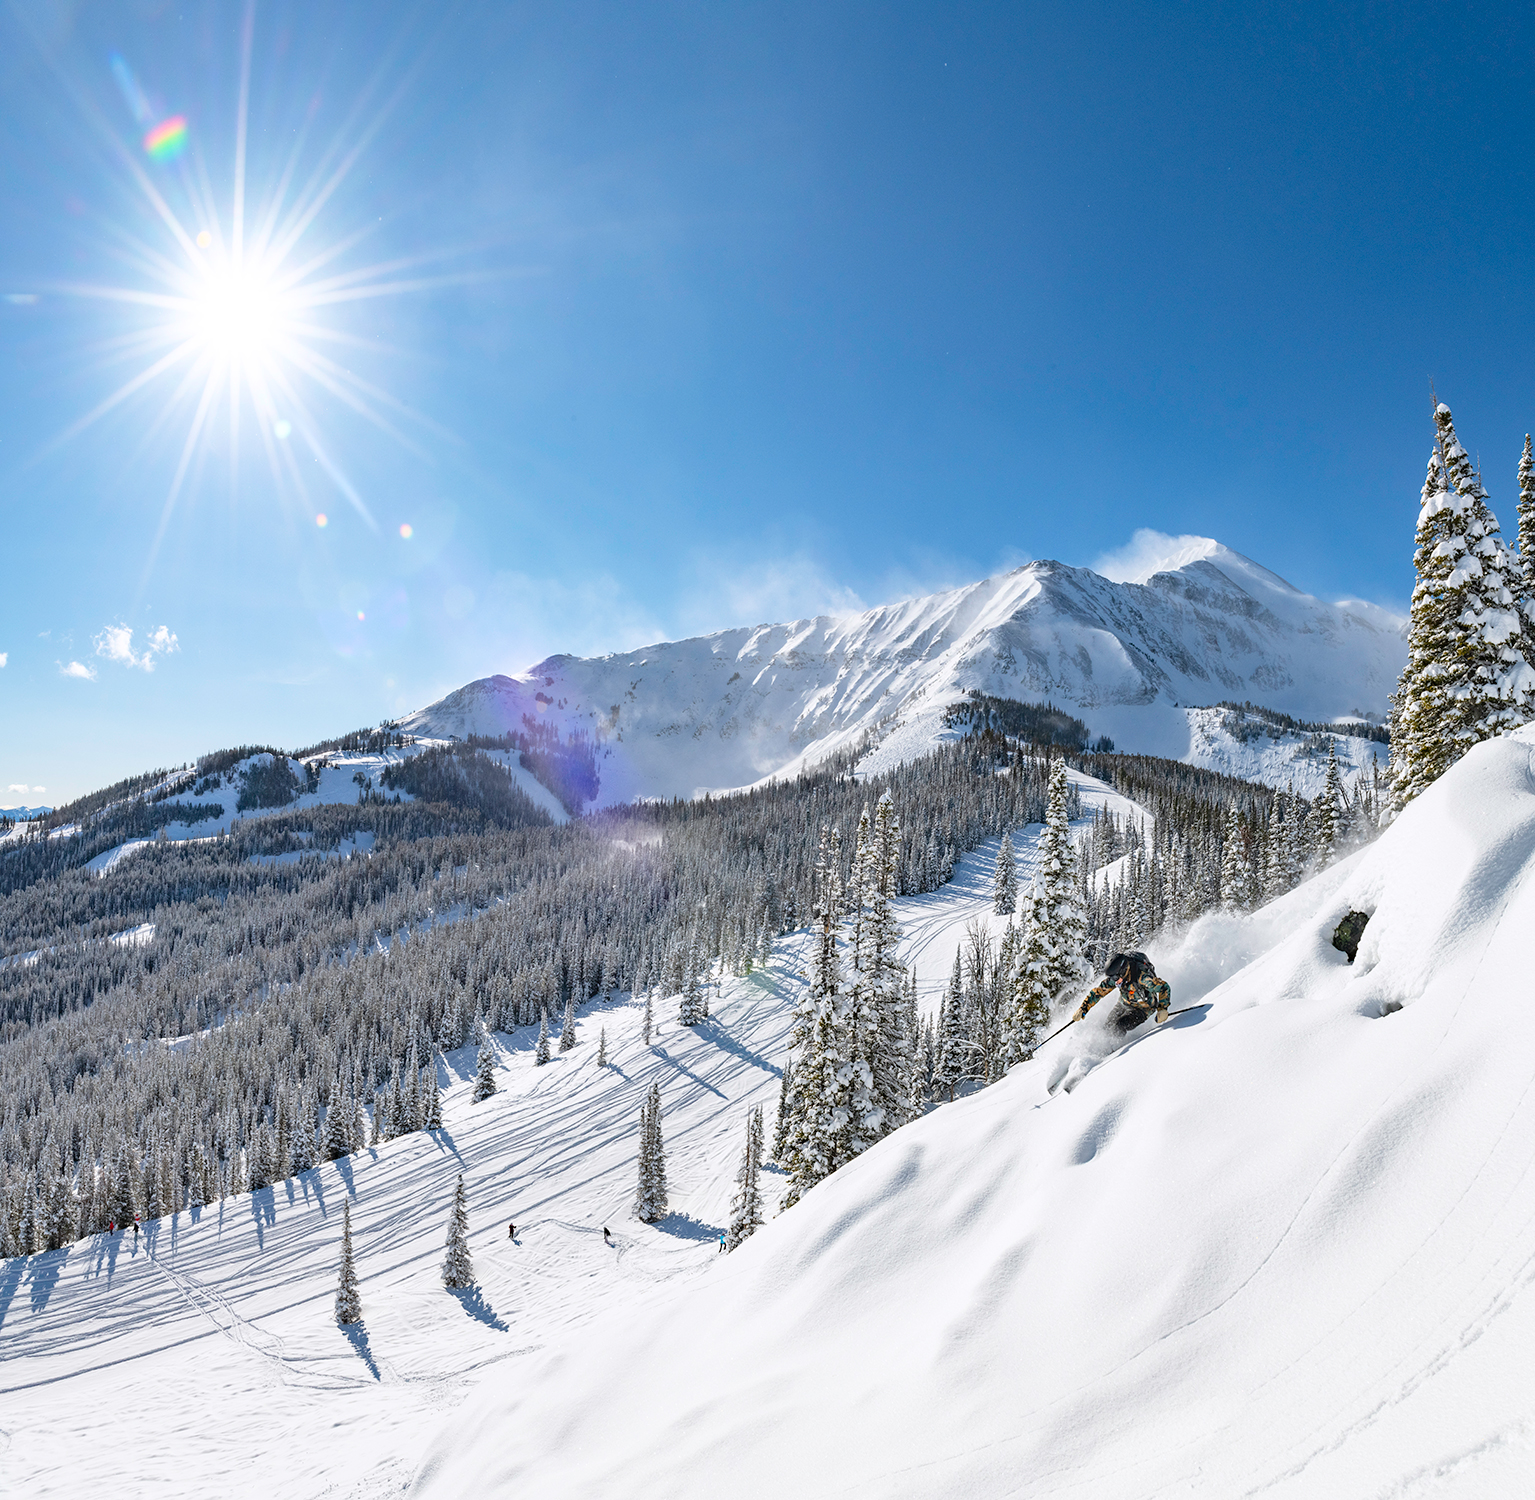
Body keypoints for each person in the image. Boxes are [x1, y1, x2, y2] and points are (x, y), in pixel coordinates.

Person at [1074, 951, 1171, 1033]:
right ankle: (1103, 1047)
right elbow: (1098, 992)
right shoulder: (1117, 978)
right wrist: (1083, 1009)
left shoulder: (1142, 978)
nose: (1114, 981)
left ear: (1123, 971)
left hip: (1142, 1008)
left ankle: (1114, 1048)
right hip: (1124, 1003)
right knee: (1107, 1025)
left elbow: (1163, 987)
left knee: (1120, 1025)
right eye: (1112, 978)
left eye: (1115, 977)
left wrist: (1162, 1009)